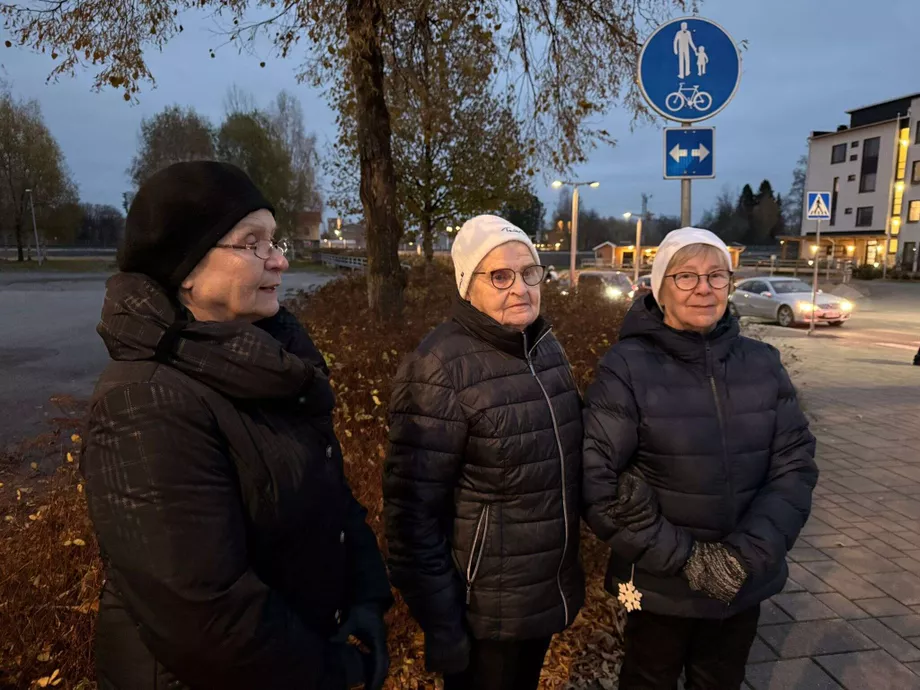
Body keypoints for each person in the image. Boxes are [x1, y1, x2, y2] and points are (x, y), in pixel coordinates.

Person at [81, 161, 392, 690]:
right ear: (185, 270)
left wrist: (364, 593)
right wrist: (336, 671)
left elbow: (325, 492)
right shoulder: (143, 403)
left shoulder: (268, 365)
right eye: (253, 243)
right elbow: (205, 618)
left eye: (275, 240)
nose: (280, 259)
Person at [582, 227, 818, 690]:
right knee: (648, 679)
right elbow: (598, 480)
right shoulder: (627, 367)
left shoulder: (762, 363)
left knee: (721, 680)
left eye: (716, 276)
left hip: (743, 580)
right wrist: (690, 560)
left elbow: (794, 465)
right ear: (660, 288)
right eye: (686, 276)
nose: (704, 288)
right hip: (659, 583)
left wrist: (745, 556)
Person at [383, 215, 584, 690]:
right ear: (467, 285)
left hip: (541, 594)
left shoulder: (544, 348)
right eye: (500, 276)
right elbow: (411, 515)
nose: (520, 288)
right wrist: (442, 621)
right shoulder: (439, 366)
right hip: (481, 611)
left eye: (529, 272)